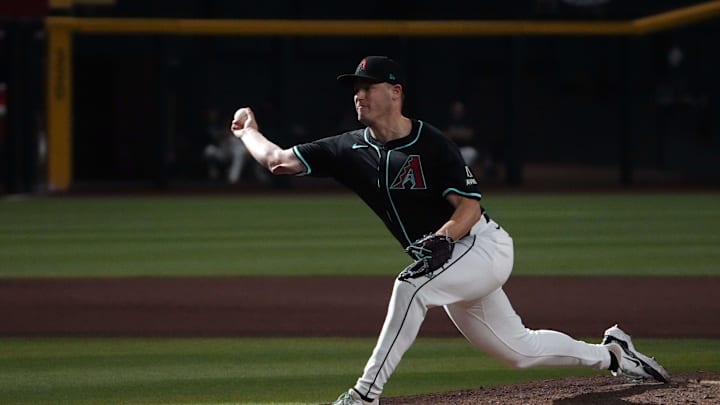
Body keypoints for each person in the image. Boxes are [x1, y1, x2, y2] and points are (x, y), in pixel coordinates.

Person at [230, 56, 670, 405]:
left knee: (411, 287)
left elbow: (469, 208)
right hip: (448, 263)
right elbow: (277, 161)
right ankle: (613, 354)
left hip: (483, 248)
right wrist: (249, 132)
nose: (358, 95)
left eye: (368, 86)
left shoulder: (431, 142)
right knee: (517, 351)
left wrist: (444, 237)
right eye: (354, 88)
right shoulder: (347, 148)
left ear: (395, 91)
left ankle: (365, 395)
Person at [203, 108, 248, 184]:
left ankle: (233, 179)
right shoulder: (217, 128)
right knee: (209, 150)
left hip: (234, 153)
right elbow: (215, 136)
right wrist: (223, 134)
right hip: (223, 153)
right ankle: (213, 174)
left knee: (240, 152)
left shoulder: (239, 129)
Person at [444, 100, 480, 168]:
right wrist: (460, 133)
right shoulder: (447, 121)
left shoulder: (467, 121)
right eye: (456, 111)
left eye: (459, 111)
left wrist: (454, 133)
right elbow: (445, 136)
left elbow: (469, 135)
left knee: (472, 152)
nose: (457, 113)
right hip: (451, 149)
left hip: (464, 149)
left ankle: (463, 173)